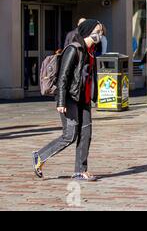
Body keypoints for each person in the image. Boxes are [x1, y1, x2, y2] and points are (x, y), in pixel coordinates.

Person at [32, 19, 104, 181]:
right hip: (70, 98)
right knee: (70, 135)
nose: (100, 35)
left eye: (101, 32)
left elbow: (90, 77)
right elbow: (63, 77)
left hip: (83, 99)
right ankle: (40, 156)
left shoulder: (90, 51)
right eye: (97, 31)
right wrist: (61, 102)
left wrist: (95, 96)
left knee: (86, 134)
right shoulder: (73, 49)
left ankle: (80, 170)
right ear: (87, 31)